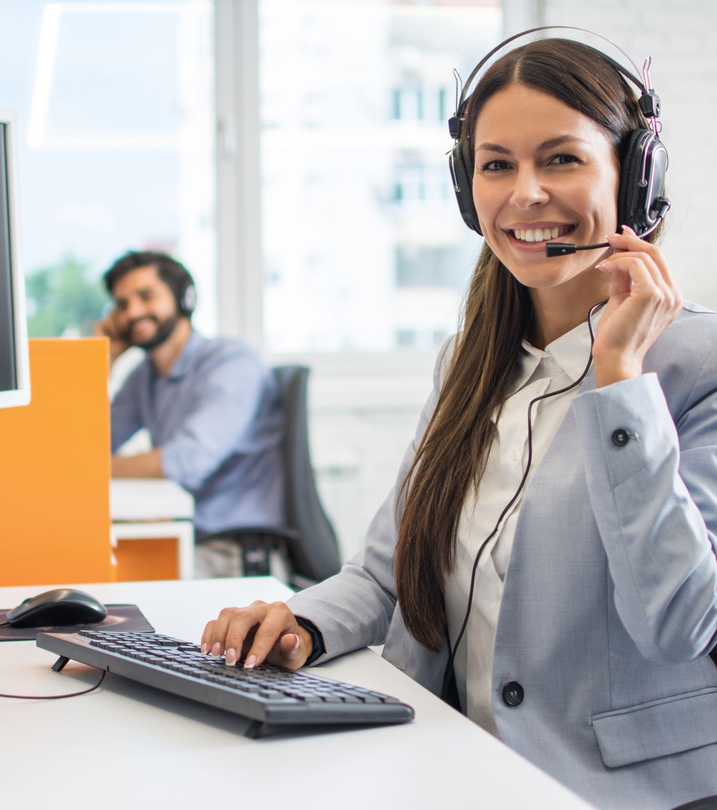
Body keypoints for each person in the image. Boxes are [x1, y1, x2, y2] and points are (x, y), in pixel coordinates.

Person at [199, 35, 717, 810]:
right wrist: (296, 624)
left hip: (610, 790)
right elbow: (384, 572)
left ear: (636, 177)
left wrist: (620, 382)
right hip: (446, 765)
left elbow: (680, 623)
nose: (525, 194)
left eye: (562, 159)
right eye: (496, 163)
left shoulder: (695, 370)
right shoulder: (468, 362)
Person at [96, 250, 287, 576]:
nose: (133, 312)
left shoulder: (231, 362)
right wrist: (104, 357)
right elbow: (95, 440)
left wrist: (91, 469)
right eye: (122, 304)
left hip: (233, 554)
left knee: (117, 587)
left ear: (185, 298)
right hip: (189, 538)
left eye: (146, 296)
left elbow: (185, 461)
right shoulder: (145, 377)